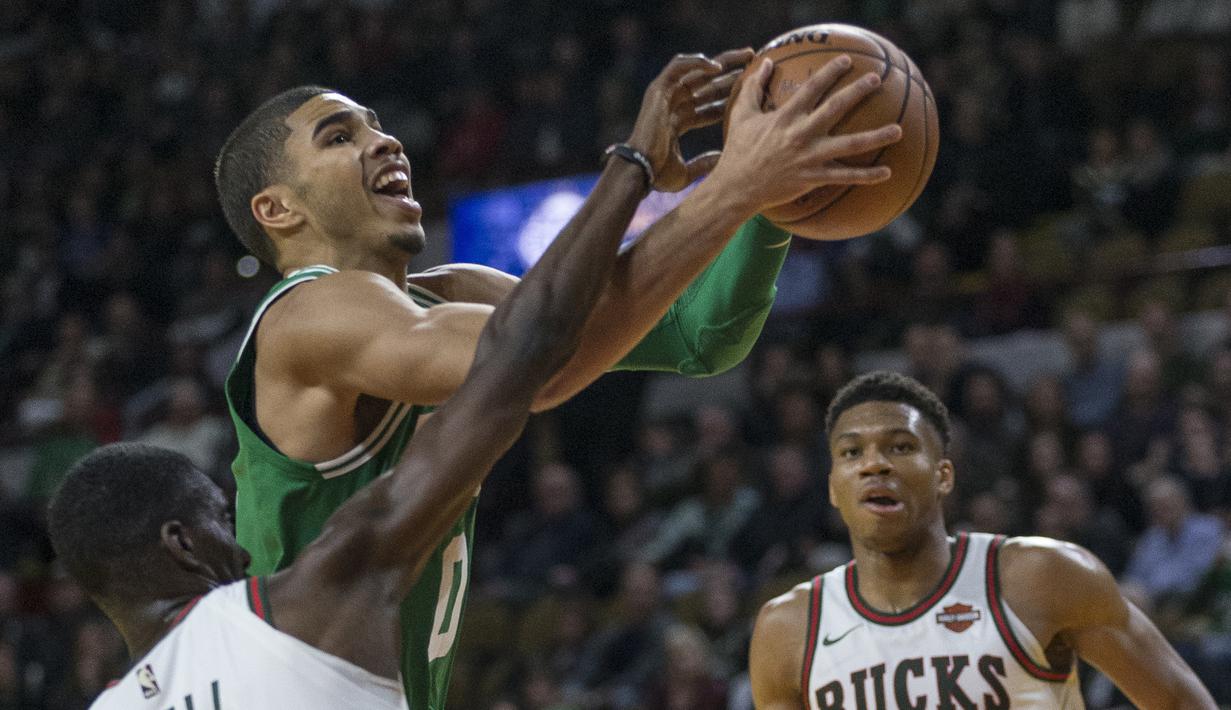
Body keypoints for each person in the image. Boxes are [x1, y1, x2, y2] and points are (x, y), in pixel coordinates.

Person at [214, 46, 903, 708]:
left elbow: (698, 335)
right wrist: (709, 182)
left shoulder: (454, 293)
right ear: (278, 210)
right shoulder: (305, 314)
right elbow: (529, 367)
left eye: (380, 126)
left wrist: (767, 202)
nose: (387, 142)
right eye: (338, 138)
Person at [47, 88, 670, 706]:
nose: (242, 546)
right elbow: (521, 357)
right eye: (341, 136)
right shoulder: (289, 613)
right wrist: (639, 166)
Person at [748, 371, 1216, 709]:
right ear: (833, 486)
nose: (875, 465)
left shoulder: (1043, 575)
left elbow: (1180, 701)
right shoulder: (788, 629)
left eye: (900, 447)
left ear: (944, 475)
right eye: (853, 452)